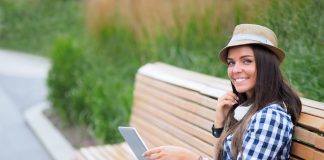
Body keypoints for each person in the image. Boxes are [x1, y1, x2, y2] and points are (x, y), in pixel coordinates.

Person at [143, 24, 302, 160]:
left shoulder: (270, 118)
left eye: (246, 61)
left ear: (267, 66)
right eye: (231, 63)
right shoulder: (247, 109)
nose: (236, 70)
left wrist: (190, 157)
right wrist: (220, 124)